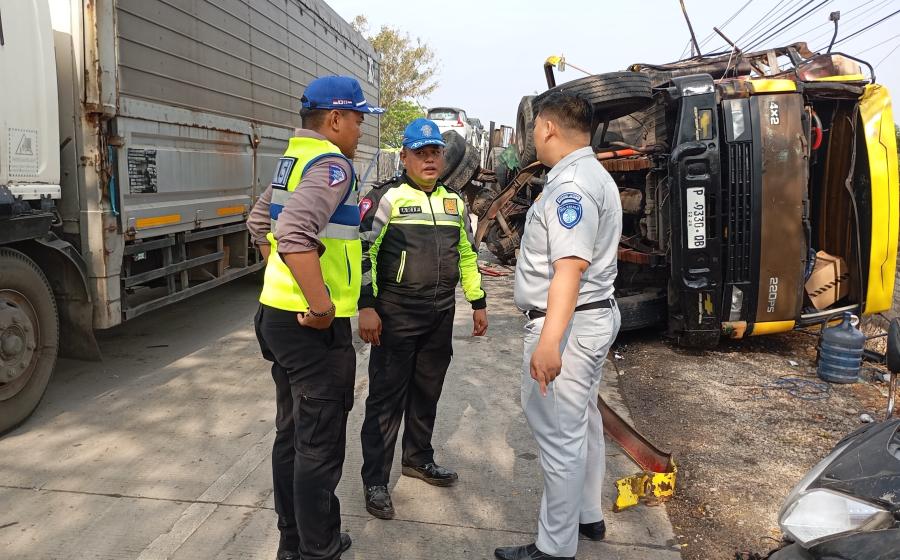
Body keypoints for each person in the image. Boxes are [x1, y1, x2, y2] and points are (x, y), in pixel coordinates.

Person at [247, 75, 383, 560]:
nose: (362, 129)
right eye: (359, 119)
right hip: (311, 328)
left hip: (277, 319)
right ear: (335, 119)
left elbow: (260, 223)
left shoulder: (291, 162)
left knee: (293, 435)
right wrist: (321, 305)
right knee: (318, 447)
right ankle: (318, 549)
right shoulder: (333, 165)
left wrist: (281, 284)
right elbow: (296, 236)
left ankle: (295, 542)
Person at [494, 93, 622, 560]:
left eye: (533, 129)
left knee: (560, 438)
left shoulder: (572, 187)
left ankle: (554, 548)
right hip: (588, 319)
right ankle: (588, 514)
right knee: (583, 424)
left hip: (567, 325)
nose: (533, 137)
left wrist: (549, 344)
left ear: (547, 127)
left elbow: (569, 268)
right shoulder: (591, 175)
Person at [356, 118, 488, 520]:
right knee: (385, 399)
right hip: (394, 312)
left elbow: (466, 253)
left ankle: (417, 458)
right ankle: (375, 480)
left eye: (435, 153)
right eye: (421, 153)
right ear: (405, 156)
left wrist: (477, 300)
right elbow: (363, 253)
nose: (429, 160)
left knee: (427, 391)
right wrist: (367, 305)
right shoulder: (387, 198)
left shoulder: (454, 202)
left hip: (440, 312)